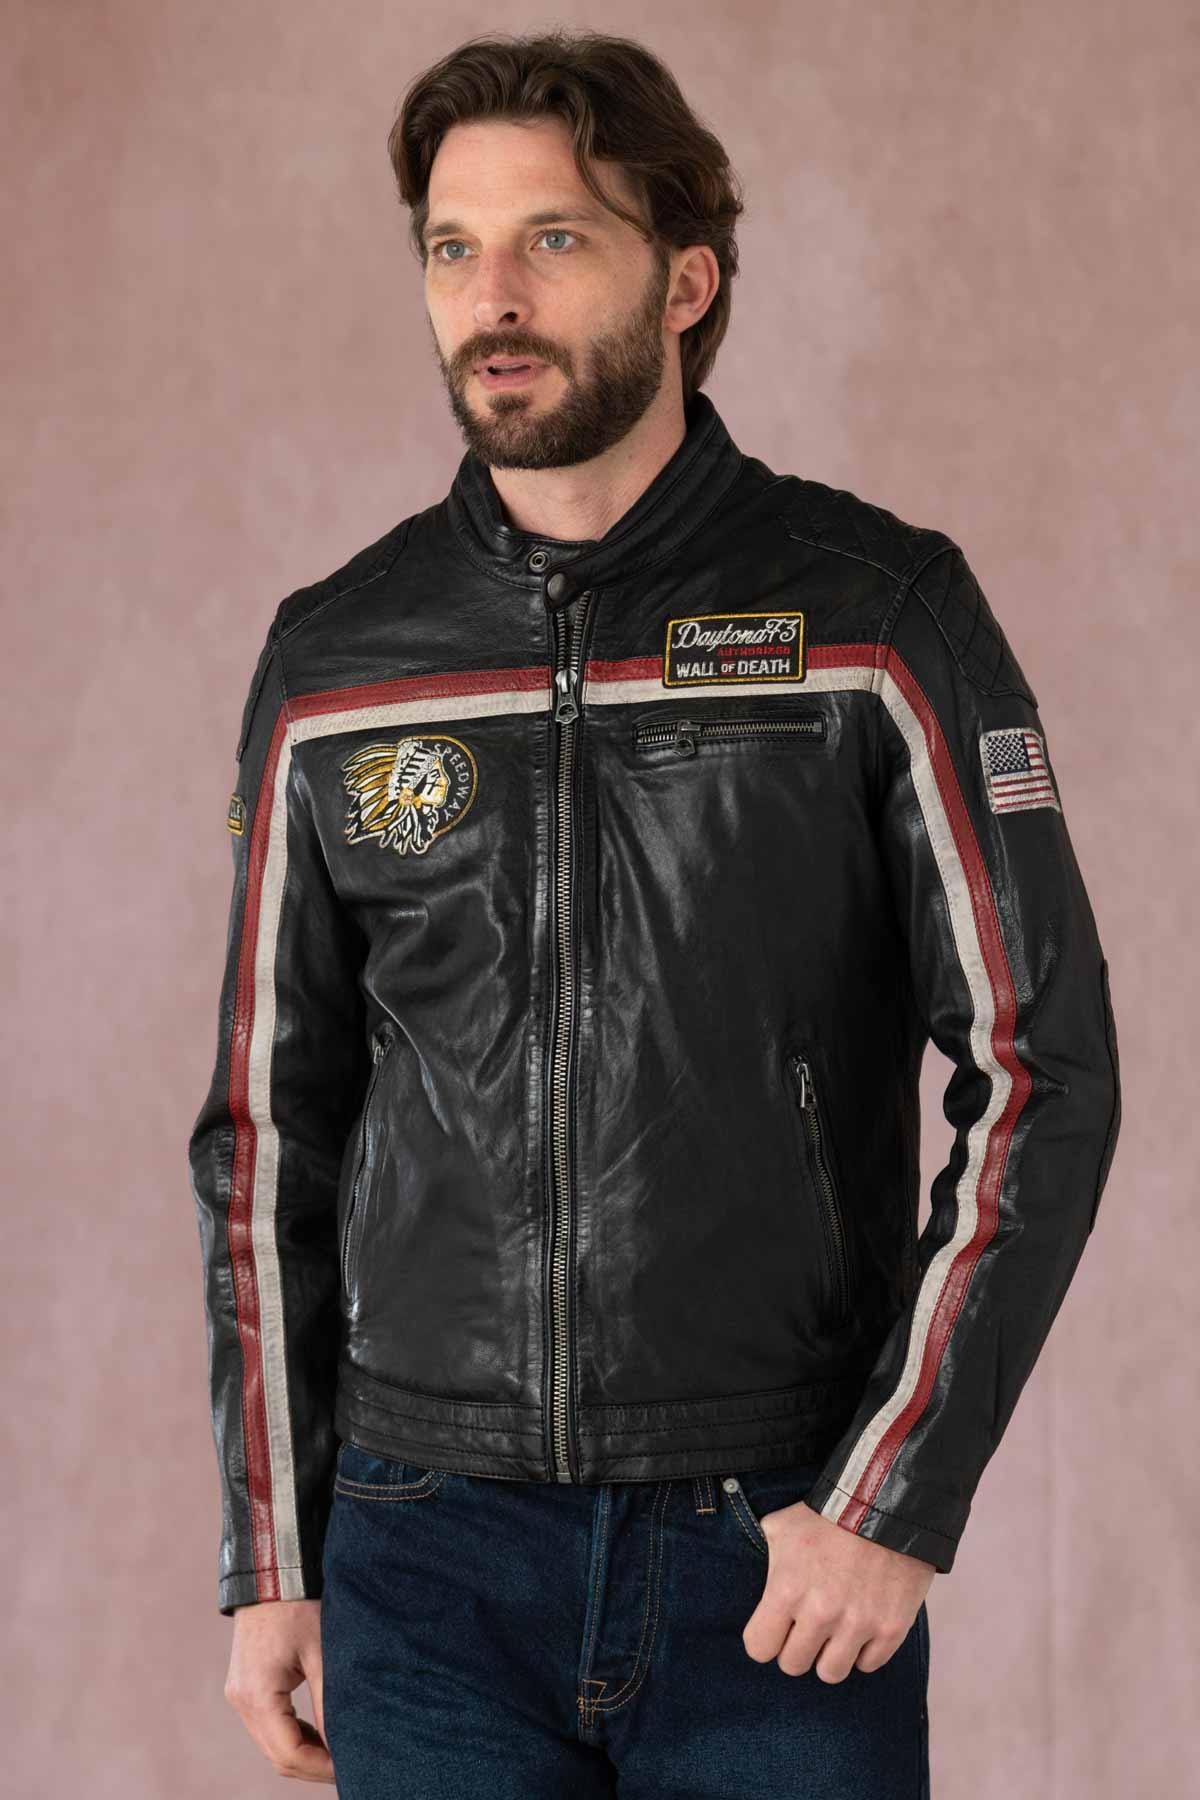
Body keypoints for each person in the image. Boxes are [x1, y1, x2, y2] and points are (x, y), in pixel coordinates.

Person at [187, 28, 1122, 1799]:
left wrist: (892, 1498)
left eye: (554, 238)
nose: (493, 298)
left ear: (686, 281)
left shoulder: (874, 616)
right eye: (453, 248)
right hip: (424, 1558)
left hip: (770, 1554)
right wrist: (275, 1552)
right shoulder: (337, 661)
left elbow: (1042, 1069)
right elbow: (267, 1135)